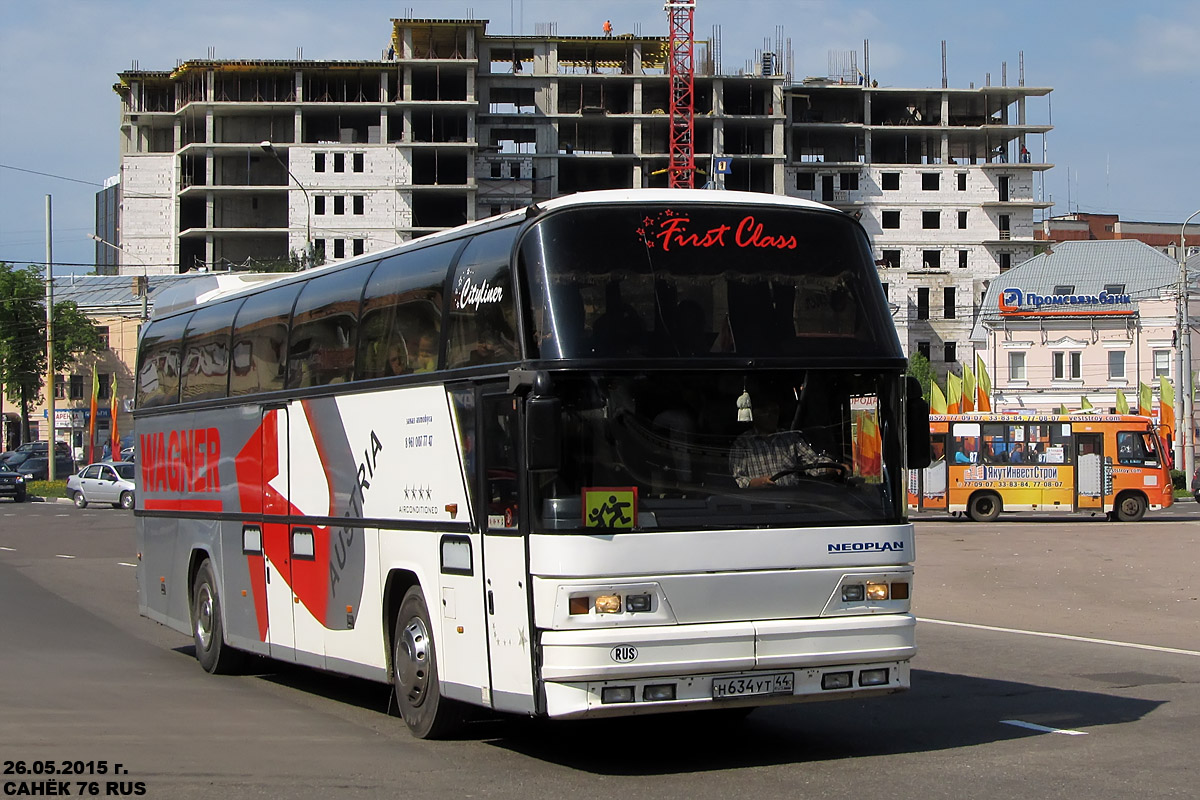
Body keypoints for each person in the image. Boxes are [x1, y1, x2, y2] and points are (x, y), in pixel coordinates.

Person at [729, 398, 830, 488]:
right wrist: (757, 483)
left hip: (791, 501)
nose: (771, 416)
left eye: (774, 412)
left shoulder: (791, 438)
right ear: (754, 414)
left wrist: (832, 467)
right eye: (765, 411)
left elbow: (812, 463)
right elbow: (737, 478)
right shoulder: (742, 443)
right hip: (758, 503)